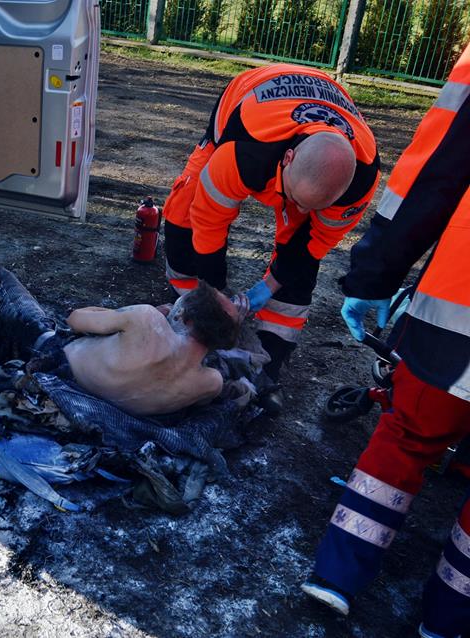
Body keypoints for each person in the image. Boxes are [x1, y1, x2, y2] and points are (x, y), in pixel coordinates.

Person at [300, 45, 470, 638]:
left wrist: (375, 275)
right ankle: (447, 620)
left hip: (462, 310)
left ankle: (337, 574)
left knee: (408, 433)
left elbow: (436, 171)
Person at [162, 63, 381, 411]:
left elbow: (310, 247)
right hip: (252, 100)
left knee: (298, 261)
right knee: (185, 212)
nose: (291, 207)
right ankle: (187, 305)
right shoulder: (244, 151)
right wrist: (213, 288)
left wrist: (270, 287)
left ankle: (271, 360)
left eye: (308, 206)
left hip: (310, 139)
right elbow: (208, 219)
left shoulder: (361, 179)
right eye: (292, 197)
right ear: (289, 159)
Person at [0, 267, 245, 416]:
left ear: (183, 317)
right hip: (87, 405)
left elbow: (75, 318)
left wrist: (144, 311)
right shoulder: (208, 382)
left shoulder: (148, 321)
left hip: (46, 358)